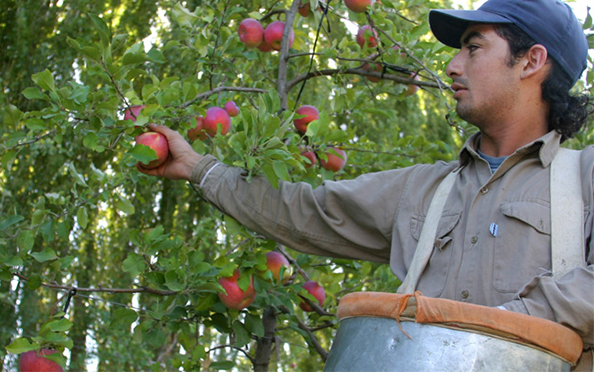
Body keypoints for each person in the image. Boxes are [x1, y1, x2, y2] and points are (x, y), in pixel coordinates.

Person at [141, 0, 593, 367]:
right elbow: (304, 211)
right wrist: (201, 168)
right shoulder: (424, 190)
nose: (453, 65)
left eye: (473, 48)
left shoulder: (585, 177)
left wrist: (495, 330)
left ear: (531, 61)